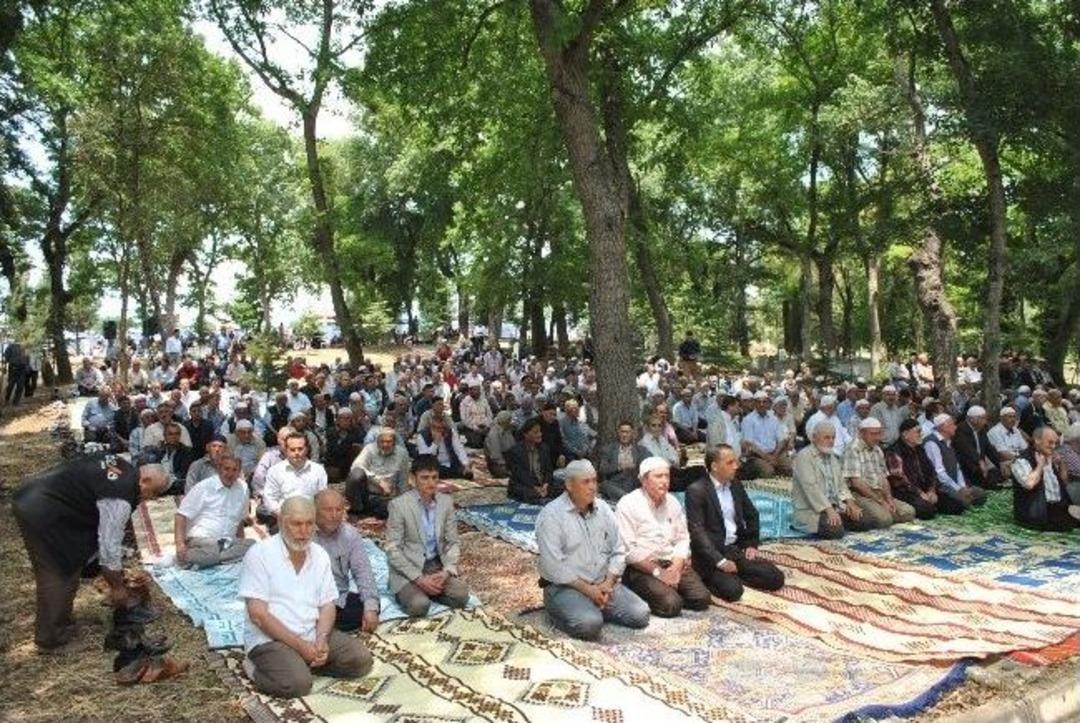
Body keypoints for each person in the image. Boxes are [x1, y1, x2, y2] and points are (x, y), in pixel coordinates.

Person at [13, 456, 170, 653]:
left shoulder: (124, 467)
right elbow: (108, 545)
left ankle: (64, 623)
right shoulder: (120, 496)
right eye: (153, 493)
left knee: (72, 561)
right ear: (145, 481)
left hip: (40, 495)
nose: (149, 498)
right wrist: (117, 587)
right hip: (42, 508)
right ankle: (51, 639)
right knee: (60, 570)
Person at [238, 495, 373, 698]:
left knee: (361, 660)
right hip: (271, 638)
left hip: (310, 632)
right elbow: (259, 615)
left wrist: (321, 639)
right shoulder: (259, 554)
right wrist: (301, 646)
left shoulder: (319, 554)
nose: (303, 531)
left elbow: (328, 604)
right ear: (282, 522)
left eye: (309, 524)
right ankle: (255, 668)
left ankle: (305, 662)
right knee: (297, 685)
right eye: (296, 524)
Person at [535, 459, 650, 640]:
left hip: (603, 582)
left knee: (641, 614)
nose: (592, 487)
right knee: (589, 625)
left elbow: (619, 548)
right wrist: (589, 590)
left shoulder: (603, 509)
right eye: (585, 482)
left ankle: (593, 606)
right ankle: (558, 608)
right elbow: (554, 565)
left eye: (594, 481)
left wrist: (609, 582)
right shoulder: (551, 516)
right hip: (567, 587)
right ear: (569, 485)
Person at [685, 445, 785, 601]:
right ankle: (719, 577)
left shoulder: (735, 485)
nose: (736, 466)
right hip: (711, 555)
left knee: (776, 578)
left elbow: (752, 514)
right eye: (730, 462)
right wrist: (720, 561)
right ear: (714, 466)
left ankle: (736, 573)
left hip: (734, 549)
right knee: (733, 591)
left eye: (736, 462)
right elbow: (697, 533)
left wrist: (751, 543)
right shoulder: (697, 490)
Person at [616, 457, 711, 617]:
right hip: (642, 568)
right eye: (658, 476)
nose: (664, 481)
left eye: (667, 476)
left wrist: (676, 567)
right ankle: (645, 592)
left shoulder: (673, 502)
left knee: (701, 599)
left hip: (670, 561)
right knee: (671, 605)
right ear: (644, 481)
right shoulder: (628, 504)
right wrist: (659, 573)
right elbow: (628, 550)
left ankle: (664, 591)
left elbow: (682, 538)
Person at [385, 455, 471, 617]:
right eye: (424, 478)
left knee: (461, 595)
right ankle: (417, 591)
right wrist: (418, 579)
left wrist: (447, 571)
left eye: (434, 478)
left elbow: (452, 542)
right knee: (420, 606)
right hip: (408, 569)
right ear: (412, 479)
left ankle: (429, 589)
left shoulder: (445, 502)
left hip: (435, 567)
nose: (431, 483)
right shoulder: (399, 505)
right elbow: (392, 549)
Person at [313, 489, 380, 633]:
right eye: (328, 510)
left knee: (369, 606)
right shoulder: (304, 533)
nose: (334, 515)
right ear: (315, 511)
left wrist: (370, 608)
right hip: (308, 600)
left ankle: (323, 625)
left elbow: (363, 571)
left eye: (338, 510)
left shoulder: (349, 534)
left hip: (337, 598)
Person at [791, 422, 870, 538]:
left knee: (866, 520)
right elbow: (811, 488)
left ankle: (840, 519)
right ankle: (837, 521)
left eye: (833, 438)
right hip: (813, 510)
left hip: (835, 506)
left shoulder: (832, 457)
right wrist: (829, 510)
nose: (831, 441)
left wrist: (851, 503)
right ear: (814, 438)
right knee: (835, 531)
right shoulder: (804, 457)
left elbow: (841, 484)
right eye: (827, 437)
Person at [174, 454, 254, 568]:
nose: (230, 474)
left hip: (227, 542)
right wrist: (180, 544)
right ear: (219, 469)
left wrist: (240, 542)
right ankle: (188, 557)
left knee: (253, 546)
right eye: (226, 469)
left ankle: (202, 560)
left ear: (239, 471)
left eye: (235, 470)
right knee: (212, 549)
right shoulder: (204, 487)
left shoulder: (243, 488)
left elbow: (239, 520)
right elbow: (180, 515)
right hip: (202, 539)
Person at [841, 418, 916, 528]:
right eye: (873, 434)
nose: (877, 437)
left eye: (879, 433)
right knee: (884, 520)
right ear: (861, 433)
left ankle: (883, 513)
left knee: (909, 512)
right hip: (860, 495)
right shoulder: (852, 449)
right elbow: (856, 483)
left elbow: (884, 478)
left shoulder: (877, 449)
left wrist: (889, 499)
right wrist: (881, 502)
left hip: (878, 493)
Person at [1011, 426, 1080, 531]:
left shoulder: (1048, 456)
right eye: (1050, 442)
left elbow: (1064, 483)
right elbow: (1029, 484)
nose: (1053, 446)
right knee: (1067, 524)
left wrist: (1061, 464)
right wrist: (1040, 466)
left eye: (1055, 443)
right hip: (1036, 511)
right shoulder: (1021, 460)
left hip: (1056, 507)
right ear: (1037, 441)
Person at [923, 413, 988, 512]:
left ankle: (963, 497)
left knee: (980, 494)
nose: (955, 427)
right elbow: (939, 472)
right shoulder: (931, 443)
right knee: (961, 503)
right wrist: (958, 489)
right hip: (940, 486)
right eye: (952, 425)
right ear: (943, 427)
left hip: (954, 484)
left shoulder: (949, 442)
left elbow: (957, 468)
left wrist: (963, 487)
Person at [345, 428, 411, 519]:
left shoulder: (402, 454)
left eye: (388, 441)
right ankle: (358, 510)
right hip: (367, 494)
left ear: (394, 442)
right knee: (355, 475)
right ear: (377, 442)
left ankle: (368, 512)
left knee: (394, 510)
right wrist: (378, 481)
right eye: (382, 441)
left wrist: (403, 502)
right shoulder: (369, 449)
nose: (385, 444)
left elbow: (403, 481)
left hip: (386, 497)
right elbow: (356, 466)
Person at [262, 432, 328, 518]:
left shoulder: (318, 470)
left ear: (307, 449)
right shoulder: (275, 471)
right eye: (292, 449)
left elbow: (322, 498)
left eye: (300, 449)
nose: (297, 453)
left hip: (311, 519)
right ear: (286, 451)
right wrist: (285, 517)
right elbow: (270, 499)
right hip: (284, 518)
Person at [739, 391, 792, 479]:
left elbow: (781, 440)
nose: (761, 404)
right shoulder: (748, 420)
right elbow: (750, 444)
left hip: (775, 454)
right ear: (754, 403)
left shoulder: (774, 419)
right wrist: (768, 458)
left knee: (790, 468)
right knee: (768, 472)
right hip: (756, 456)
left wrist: (774, 456)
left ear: (768, 403)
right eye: (758, 402)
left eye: (764, 402)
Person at [506, 417, 559, 503]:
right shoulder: (516, 451)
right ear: (526, 434)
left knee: (563, 487)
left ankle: (542, 495)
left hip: (542, 484)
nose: (540, 434)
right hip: (527, 485)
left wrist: (546, 484)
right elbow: (520, 475)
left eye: (540, 431)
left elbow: (549, 470)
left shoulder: (544, 448)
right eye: (536, 432)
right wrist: (535, 488)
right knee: (521, 491)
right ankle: (539, 496)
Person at [596, 420, 649, 502]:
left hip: (633, 484)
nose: (624, 435)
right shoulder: (608, 449)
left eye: (627, 432)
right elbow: (603, 469)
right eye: (622, 432)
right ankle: (629, 500)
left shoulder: (640, 450)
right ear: (618, 433)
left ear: (632, 434)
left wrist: (636, 467)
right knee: (604, 485)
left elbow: (649, 465)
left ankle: (627, 499)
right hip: (615, 484)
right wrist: (619, 467)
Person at [952, 405, 1002, 491]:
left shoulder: (981, 429)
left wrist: (1000, 463)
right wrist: (980, 461)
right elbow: (968, 450)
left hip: (980, 464)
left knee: (996, 472)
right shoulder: (961, 429)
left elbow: (988, 448)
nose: (985, 421)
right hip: (967, 465)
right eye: (982, 418)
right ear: (972, 419)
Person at [987, 406, 1029, 478]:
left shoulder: (1015, 430)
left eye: (1014, 417)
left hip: (1018, 458)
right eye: (1010, 417)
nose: (1013, 419)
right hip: (1004, 462)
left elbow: (1025, 448)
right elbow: (1002, 454)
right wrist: (1021, 460)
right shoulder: (995, 432)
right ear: (1001, 418)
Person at [483, 410, 516, 478]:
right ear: (505, 422)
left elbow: (513, 445)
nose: (510, 422)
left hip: (508, 456)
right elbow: (495, 454)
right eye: (509, 421)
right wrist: (504, 464)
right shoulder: (494, 434)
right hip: (497, 461)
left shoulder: (507, 430)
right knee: (503, 472)